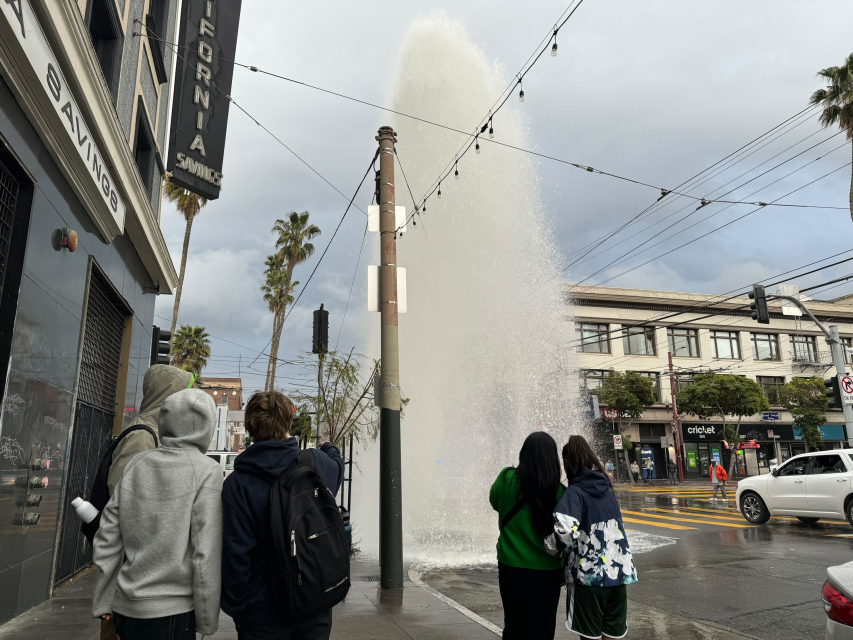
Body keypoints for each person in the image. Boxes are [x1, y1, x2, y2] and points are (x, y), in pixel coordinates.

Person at [92, 389, 223, 639]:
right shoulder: (208, 471)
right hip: (174, 611)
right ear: (207, 425)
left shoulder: (136, 464)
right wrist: (207, 619)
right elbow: (205, 552)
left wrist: (104, 599)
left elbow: (107, 535)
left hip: (125, 606)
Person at [221, 391, 344, 640]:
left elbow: (236, 554)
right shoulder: (315, 464)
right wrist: (329, 448)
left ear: (250, 428)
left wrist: (238, 608)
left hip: (262, 613)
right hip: (314, 602)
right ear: (288, 422)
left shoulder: (238, 484)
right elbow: (338, 469)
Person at [547, 435, 637, 640]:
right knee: (612, 635)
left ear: (569, 462)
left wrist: (549, 547)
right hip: (618, 576)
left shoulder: (575, 491)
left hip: (589, 580)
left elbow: (565, 533)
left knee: (590, 637)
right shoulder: (607, 489)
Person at [489, 432, 565, 640]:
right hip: (548, 573)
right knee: (543, 629)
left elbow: (495, 502)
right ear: (552, 459)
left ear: (524, 454)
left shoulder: (506, 479)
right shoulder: (559, 492)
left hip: (511, 569)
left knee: (513, 627)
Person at [108, 365, 195, 494]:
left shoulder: (156, 431)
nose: (190, 404)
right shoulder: (142, 437)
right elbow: (122, 495)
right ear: (169, 397)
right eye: (185, 397)